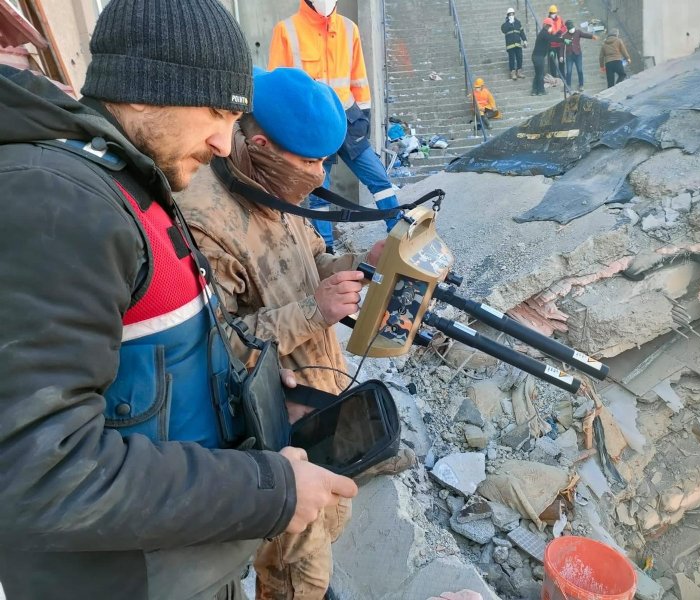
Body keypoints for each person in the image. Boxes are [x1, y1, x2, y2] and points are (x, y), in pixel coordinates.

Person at [0, 0, 357, 598]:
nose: (225, 142)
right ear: (142, 91)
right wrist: (267, 490)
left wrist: (256, 384)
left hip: (175, 552)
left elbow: (156, 361)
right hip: (128, 576)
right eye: (216, 112)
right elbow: (42, 473)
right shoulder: (56, 200)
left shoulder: (123, 178)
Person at [179, 68, 415, 600]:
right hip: (272, 430)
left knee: (329, 519)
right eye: (309, 160)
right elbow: (214, 342)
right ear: (260, 144)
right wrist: (315, 311)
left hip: (318, 399)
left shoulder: (276, 185)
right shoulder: (205, 218)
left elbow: (313, 259)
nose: (319, 172)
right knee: (297, 570)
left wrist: (359, 262)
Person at [268, 0, 400, 254]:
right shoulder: (286, 30)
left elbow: (359, 78)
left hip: (348, 120)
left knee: (378, 178)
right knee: (319, 191)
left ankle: (397, 230)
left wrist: (364, 120)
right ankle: (326, 249)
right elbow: (279, 86)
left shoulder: (349, 29)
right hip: (312, 124)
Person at [531, 18, 564, 96]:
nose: (550, 27)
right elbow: (552, 39)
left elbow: (549, 44)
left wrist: (552, 51)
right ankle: (541, 91)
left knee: (537, 74)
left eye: (550, 26)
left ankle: (534, 90)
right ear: (545, 25)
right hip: (539, 57)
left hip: (537, 57)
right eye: (549, 26)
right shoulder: (544, 33)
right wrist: (563, 40)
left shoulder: (544, 34)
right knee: (540, 74)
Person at [563, 20, 598, 92]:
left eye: (572, 28)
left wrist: (592, 36)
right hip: (569, 55)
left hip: (578, 54)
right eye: (570, 28)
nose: (572, 29)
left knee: (580, 70)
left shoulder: (578, 32)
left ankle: (581, 85)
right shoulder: (565, 36)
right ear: (567, 29)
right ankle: (568, 86)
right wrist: (561, 56)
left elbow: (585, 35)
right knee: (569, 71)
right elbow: (561, 47)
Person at [501, 7, 527, 81]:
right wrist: (509, 23)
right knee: (512, 59)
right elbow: (503, 30)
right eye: (510, 14)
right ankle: (512, 72)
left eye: (512, 14)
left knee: (519, 57)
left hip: (518, 44)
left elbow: (521, 32)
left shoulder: (518, 22)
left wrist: (525, 40)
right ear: (507, 15)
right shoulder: (505, 24)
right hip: (510, 45)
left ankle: (519, 71)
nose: (511, 15)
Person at [546, 4, 567, 78]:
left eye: (555, 13)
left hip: (559, 44)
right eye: (553, 13)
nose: (554, 15)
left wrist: (561, 31)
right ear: (550, 13)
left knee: (561, 60)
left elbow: (564, 27)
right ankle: (554, 76)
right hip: (551, 45)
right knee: (552, 62)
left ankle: (562, 76)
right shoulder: (547, 21)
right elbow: (546, 32)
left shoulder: (559, 19)